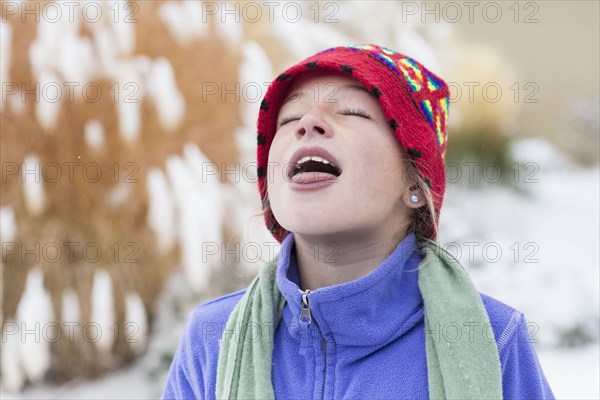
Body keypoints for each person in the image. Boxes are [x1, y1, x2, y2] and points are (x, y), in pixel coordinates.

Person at [163, 44, 555, 399]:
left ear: (415, 185)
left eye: (352, 111)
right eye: (290, 118)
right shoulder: (212, 339)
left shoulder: (491, 337)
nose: (308, 123)